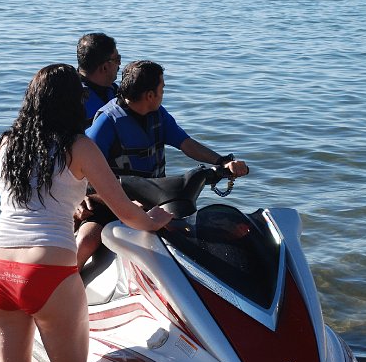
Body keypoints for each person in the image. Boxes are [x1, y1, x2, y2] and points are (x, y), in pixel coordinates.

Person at [0, 64, 172, 362]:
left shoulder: (9, 144)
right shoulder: (79, 147)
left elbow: (34, 197)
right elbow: (122, 209)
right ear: (74, 103)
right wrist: (154, 220)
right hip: (48, 270)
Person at [75, 60, 248, 268]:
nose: (163, 92)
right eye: (162, 88)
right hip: (112, 201)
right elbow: (82, 165)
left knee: (207, 233)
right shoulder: (107, 122)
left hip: (154, 201)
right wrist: (81, 198)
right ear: (150, 95)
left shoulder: (158, 115)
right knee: (87, 240)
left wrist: (222, 162)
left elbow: (186, 143)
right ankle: (61, 286)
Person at [76, 32, 121, 128]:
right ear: (104, 67)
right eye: (117, 59)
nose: (119, 64)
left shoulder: (115, 91)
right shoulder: (71, 99)